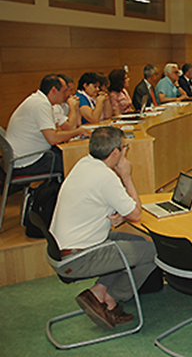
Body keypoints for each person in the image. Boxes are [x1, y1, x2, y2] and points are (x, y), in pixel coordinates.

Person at [50, 127, 157, 330]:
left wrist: (115, 215)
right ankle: (111, 298)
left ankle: (99, 291)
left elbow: (98, 201)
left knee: (138, 242)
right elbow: (135, 214)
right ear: (116, 152)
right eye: (124, 147)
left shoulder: (84, 164)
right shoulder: (106, 177)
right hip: (79, 257)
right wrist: (126, 176)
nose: (125, 151)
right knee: (154, 252)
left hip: (67, 248)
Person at [6, 75, 90, 176]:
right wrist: (78, 131)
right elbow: (53, 139)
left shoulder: (43, 101)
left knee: (68, 156)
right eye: (64, 91)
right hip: (26, 161)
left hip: (28, 156)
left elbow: (57, 130)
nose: (66, 95)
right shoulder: (40, 104)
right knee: (73, 162)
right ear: (53, 90)